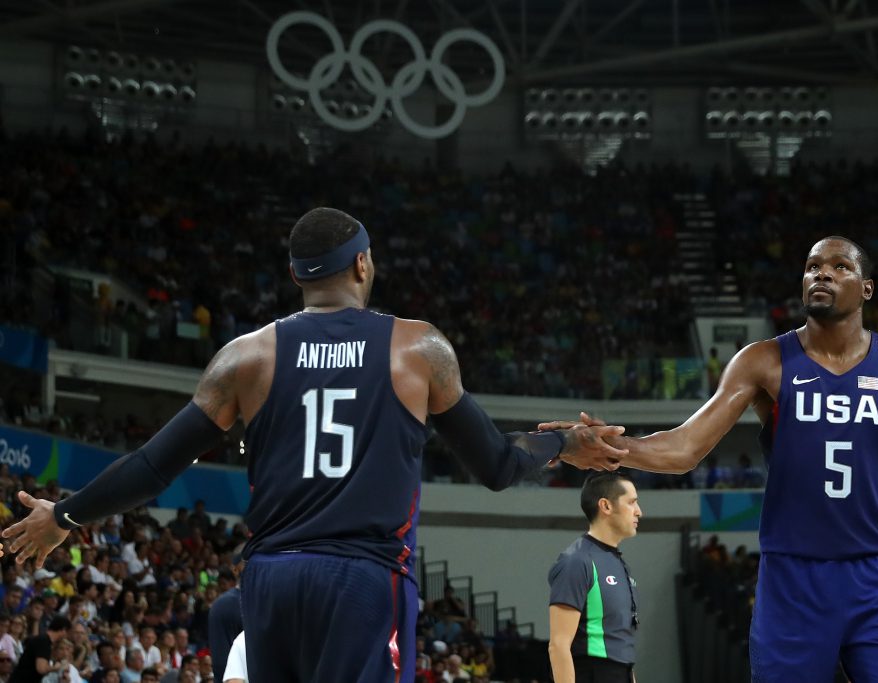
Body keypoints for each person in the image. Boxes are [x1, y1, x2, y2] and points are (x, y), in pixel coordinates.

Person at [0, 208, 623, 683]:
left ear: (297, 275)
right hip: (363, 580)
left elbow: (154, 465)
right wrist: (563, 443)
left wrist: (64, 515)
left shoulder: (245, 357)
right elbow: (496, 464)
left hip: (269, 583)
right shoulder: (417, 348)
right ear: (361, 265)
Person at [546, 237, 878, 681]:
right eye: (812, 267)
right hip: (793, 579)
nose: (822, 274)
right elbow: (685, 447)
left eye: (839, 267)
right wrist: (606, 446)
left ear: (866, 288)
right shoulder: (764, 361)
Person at [548, 473, 641, 683]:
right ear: (606, 506)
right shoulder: (577, 561)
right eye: (632, 502)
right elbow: (559, 645)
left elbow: (620, 646)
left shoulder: (618, 563)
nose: (639, 512)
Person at [10, 616, 71, 683]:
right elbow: (41, 669)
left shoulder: (45, 641)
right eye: (67, 632)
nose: (66, 636)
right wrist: (56, 667)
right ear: (63, 630)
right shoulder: (43, 642)